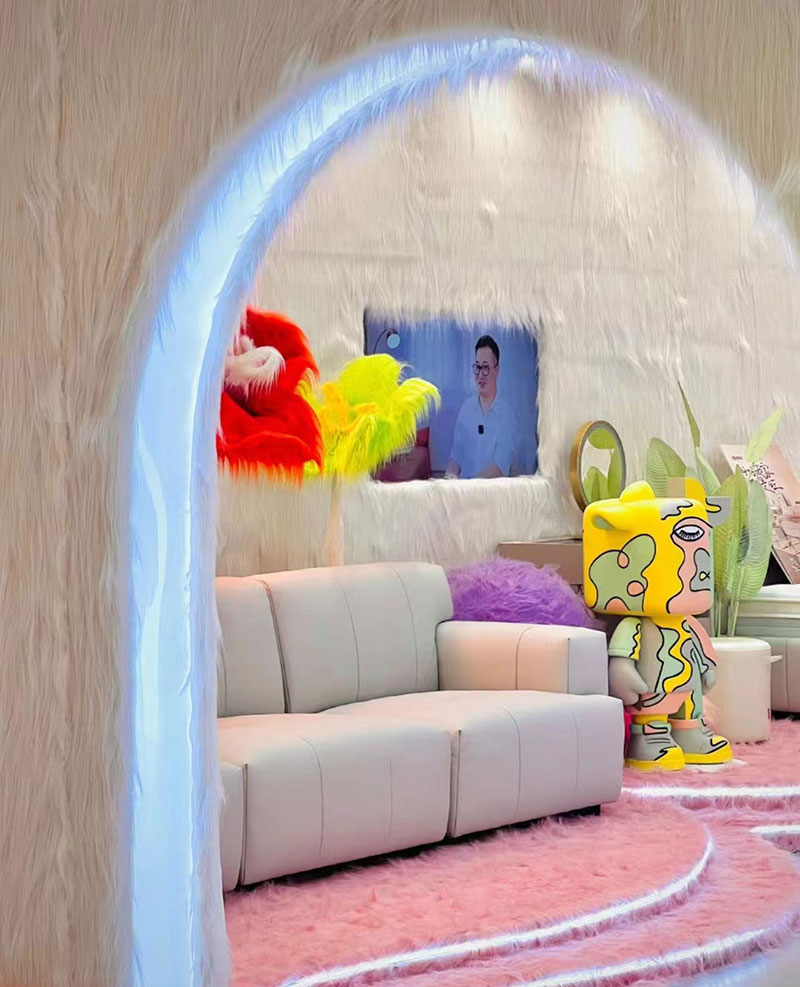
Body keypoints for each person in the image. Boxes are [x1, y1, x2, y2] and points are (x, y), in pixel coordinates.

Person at [445, 334, 518, 479]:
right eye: (477, 367)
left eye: (485, 368)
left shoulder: (507, 415)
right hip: (463, 489)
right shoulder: (466, 409)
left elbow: (499, 468)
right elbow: (455, 458)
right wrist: (449, 478)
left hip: (490, 491)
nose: (480, 375)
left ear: (496, 370)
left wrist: (469, 487)